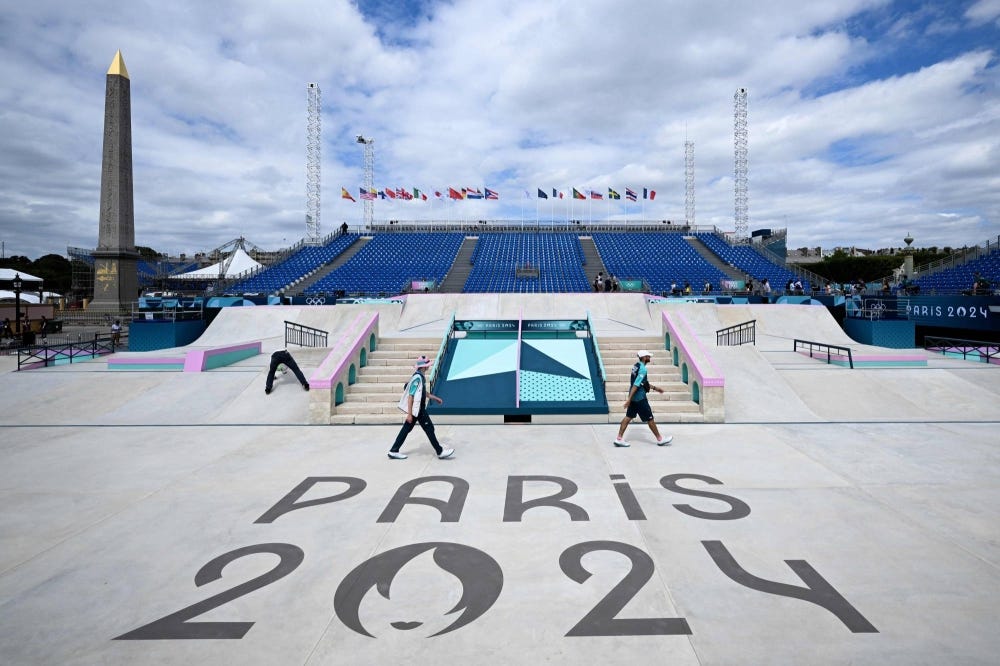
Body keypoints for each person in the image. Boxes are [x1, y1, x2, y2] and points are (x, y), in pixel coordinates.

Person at [388, 355, 454, 460]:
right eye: (427, 365)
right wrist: (409, 414)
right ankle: (439, 451)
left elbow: (423, 392)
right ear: (423, 367)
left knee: (408, 429)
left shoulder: (420, 377)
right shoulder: (417, 378)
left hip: (418, 410)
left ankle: (393, 450)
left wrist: (435, 398)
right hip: (418, 410)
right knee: (429, 429)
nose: (428, 367)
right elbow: (410, 396)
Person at [614, 350, 673, 448]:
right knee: (650, 419)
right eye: (648, 356)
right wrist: (629, 399)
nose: (650, 358)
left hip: (634, 398)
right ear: (644, 358)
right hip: (640, 398)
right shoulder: (642, 369)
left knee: (628, 417)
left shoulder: (636, 366)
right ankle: (660, 439)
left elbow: (642, 383)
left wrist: (655, 388)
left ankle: (619, 439)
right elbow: (636, 384)